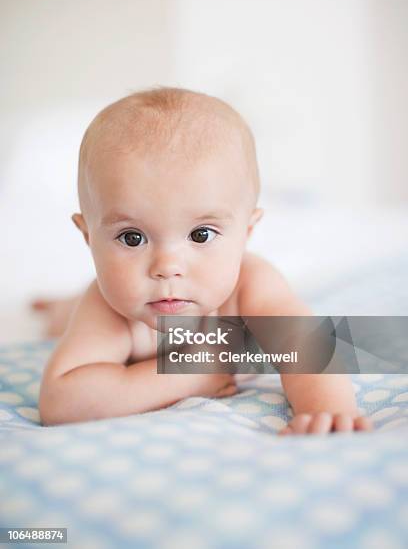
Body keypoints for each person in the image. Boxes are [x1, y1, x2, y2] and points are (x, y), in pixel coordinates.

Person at [35, 87, 372, 434]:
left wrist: (327, 408)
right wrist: (190, 375)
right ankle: (61, 306)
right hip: (86, 310)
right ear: (88, 235)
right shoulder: (110, 308)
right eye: (132, 237)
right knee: (68, 315)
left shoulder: (252, 285)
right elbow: (62, 403)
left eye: (201, 235)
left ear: (246, 230)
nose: (167, 266)